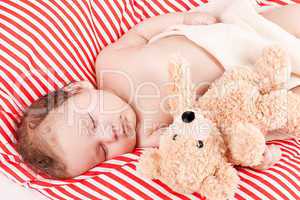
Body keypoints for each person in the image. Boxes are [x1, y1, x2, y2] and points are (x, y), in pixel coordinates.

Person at [17, 2, 300, 179]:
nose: (109, 134)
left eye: (91, 122)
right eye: (102, 151)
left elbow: (142, 33)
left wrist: (186, 20)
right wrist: (247, 151)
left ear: (78, 89)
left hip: (242, 31)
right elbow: (204, 136)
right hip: (255, 87)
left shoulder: (109, 63)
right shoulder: (147, 136)